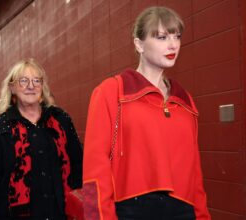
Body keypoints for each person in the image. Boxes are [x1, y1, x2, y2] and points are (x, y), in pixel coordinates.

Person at [82, 6, 211, 220]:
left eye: (176, 37)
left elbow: (194, 173)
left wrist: (202, 216)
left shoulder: (185, 101)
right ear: (139, 44)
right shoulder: (111, 92)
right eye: (161, 37)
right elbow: (95, 170)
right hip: (131, 210)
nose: (173, 45)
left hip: (182, 210)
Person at [0, 58, 83, 220]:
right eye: (23, 81)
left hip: (61, 213)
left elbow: (79, 165)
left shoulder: (61, 120)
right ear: (12, 87)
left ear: (42, 86)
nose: (31, 86)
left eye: (36, 81)